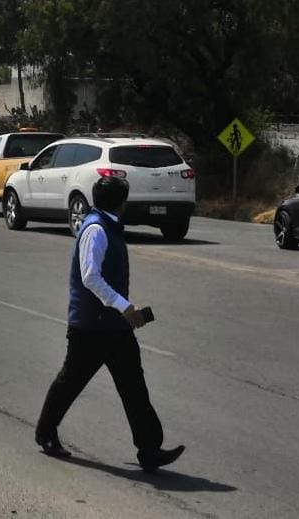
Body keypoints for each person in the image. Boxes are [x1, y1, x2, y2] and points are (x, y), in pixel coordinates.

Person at [35, 176, 185, 472]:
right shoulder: (96, 229)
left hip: (114, 327)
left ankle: (150, 449)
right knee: (70, 382)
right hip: (91, 327)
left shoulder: (107, 226)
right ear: (121, 202)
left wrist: (124, 312)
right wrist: (124, 306)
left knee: (134, 386)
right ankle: (45, 432)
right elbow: (90, 276)